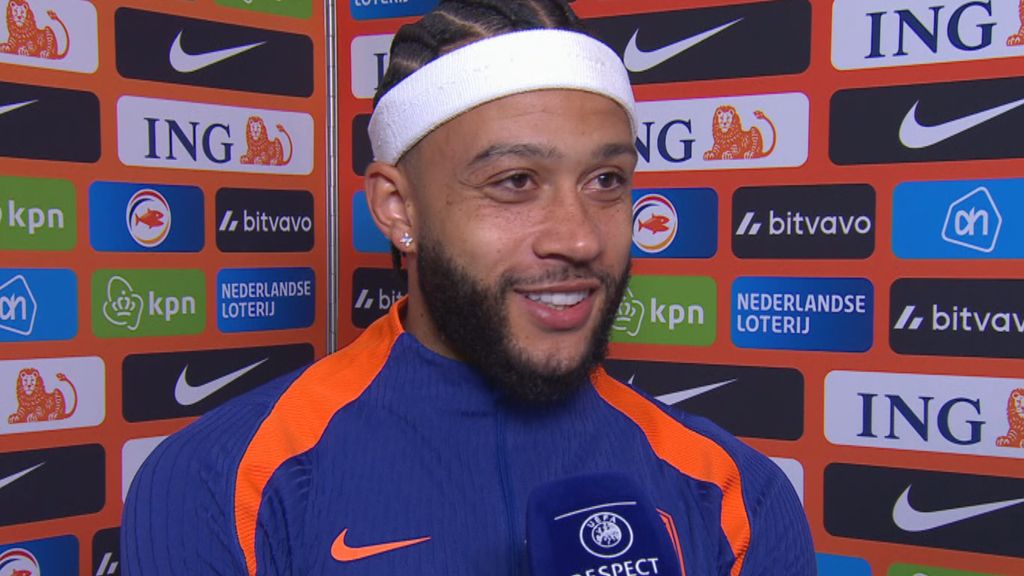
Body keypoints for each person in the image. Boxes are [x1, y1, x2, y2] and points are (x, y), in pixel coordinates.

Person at [122, 1, 816, 574]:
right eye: (515, 182)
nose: (578, 238)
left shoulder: (732, 494)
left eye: (606, 180)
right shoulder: (225, 483)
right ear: (399, 208)